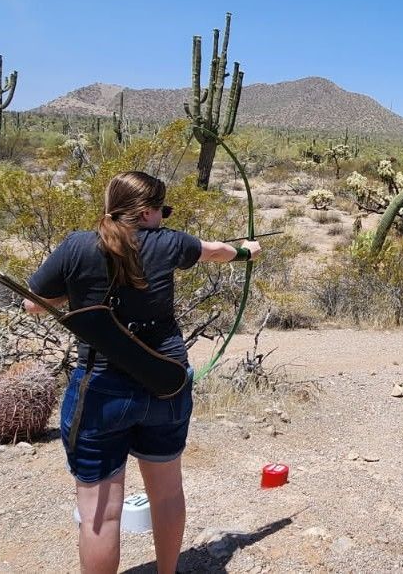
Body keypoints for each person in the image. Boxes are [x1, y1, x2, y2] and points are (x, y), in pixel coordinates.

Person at [23, 170, 260, 574]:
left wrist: (79, 291)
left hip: (100, 389)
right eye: (163, 210)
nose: (164, 218)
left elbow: (34, 304)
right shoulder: (171, 243)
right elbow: (218, 250)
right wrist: (247, 251)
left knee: (101, 512)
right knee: (166, 494)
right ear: (149, 211)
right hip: (164, 384)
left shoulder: (77, 246)